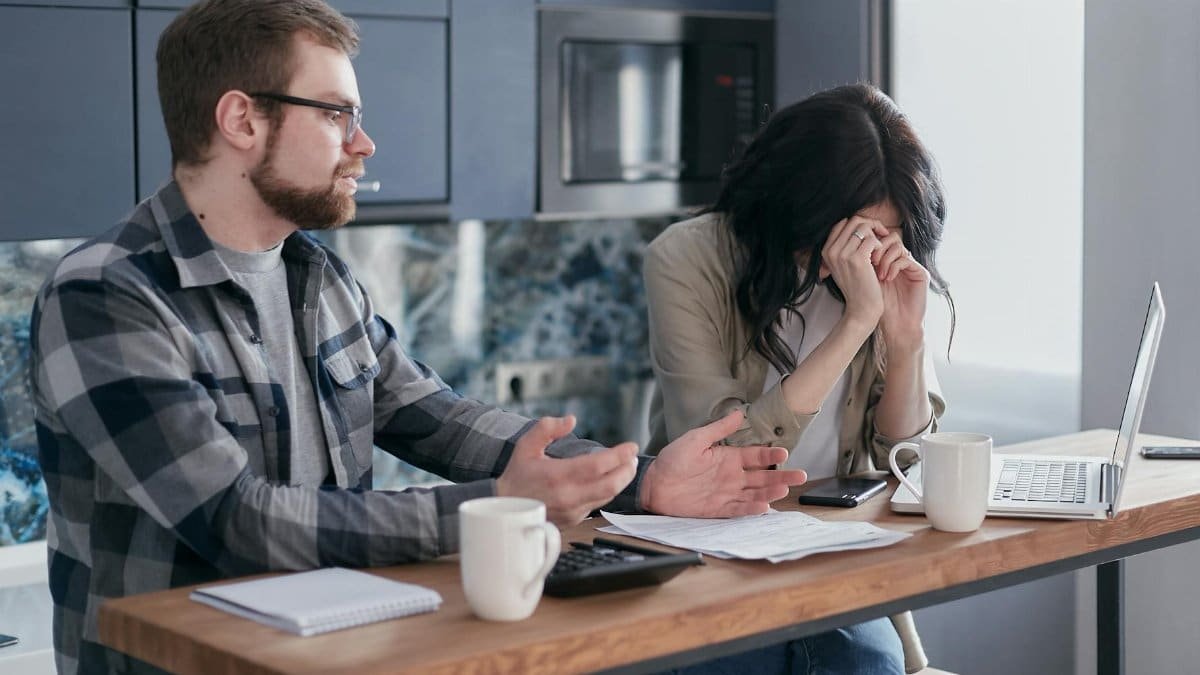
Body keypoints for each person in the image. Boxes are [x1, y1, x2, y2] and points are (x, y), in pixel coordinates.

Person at [28, 2, 806, 673]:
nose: (363, 143)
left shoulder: (320, 279)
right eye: (336, 114)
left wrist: (638, 482)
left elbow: (439, 417)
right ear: (241, 119)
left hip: (333, 655)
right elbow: (238, 520)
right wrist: (496, 507)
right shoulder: (106, 293)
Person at [642, 83, 954, 674]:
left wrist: (906, 339)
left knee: (865, 659)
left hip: (833, 553)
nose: (863, 256)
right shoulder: (684, 261)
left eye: (884, 237)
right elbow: (718, 463)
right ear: (796, 206)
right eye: (848, 235)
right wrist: (856, 323)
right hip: (713, 548)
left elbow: (907, 462)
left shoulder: (883, 270)